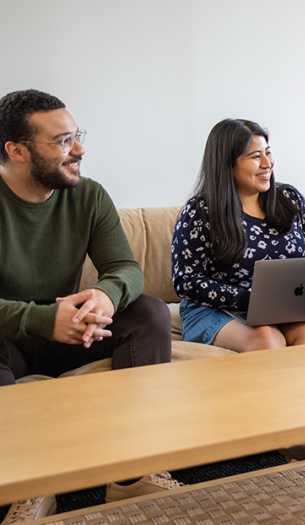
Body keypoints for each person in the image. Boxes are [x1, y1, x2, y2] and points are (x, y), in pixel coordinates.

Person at [0, 90, 179, 524]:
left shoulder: (88, 196)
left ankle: (133, 469)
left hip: (74, 331)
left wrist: (104, 296)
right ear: (17, 151)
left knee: (150, 313)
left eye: (77, 135)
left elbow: (125, 269)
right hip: (8, 340)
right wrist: (43, 318)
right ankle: (30, 485)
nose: (78, 149)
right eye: (62, 141)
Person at [171, 118, 305, 460]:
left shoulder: (288, 199)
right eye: (255, 156)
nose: (267, 163)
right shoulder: (199, 211)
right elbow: (186, 280)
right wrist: (249, 299)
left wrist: (297, 295)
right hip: (215, 309)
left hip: (286, 305)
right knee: (267, 339)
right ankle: (300, 431)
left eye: (268, 153)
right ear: (228, 163)